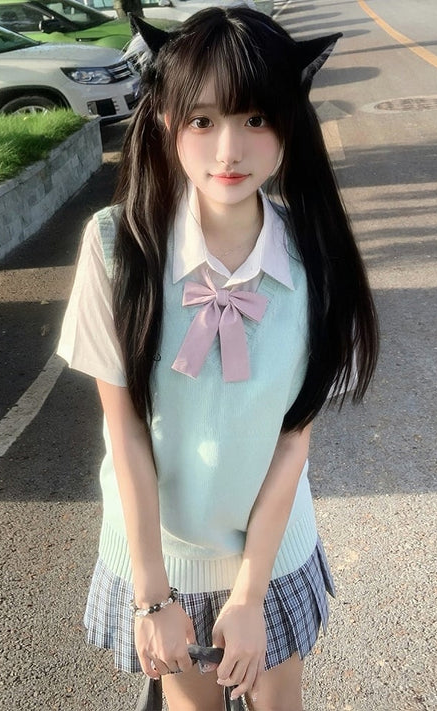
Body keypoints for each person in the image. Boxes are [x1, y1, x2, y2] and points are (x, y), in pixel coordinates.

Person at [57, 6, 379, 711]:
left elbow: (293, 439)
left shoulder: (316, 258)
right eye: (201, 120)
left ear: (290, 123)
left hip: (271, 546)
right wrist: (153, 596)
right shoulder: (116, 247)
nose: (229, 149)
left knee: (277, 703)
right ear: (165, 119)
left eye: (255, 118)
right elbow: (125, 432)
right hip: (163, 553)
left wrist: (250, 593)